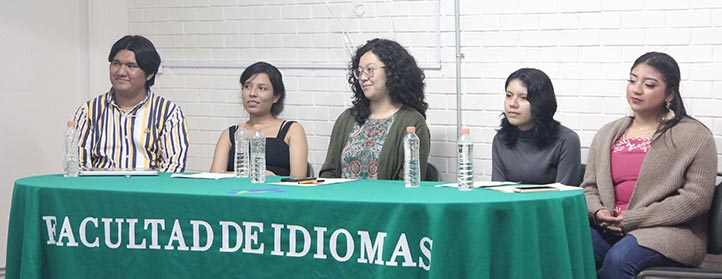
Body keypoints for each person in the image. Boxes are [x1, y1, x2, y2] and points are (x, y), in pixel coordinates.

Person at [582, 52, 717, 279]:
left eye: (649, 84)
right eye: (632, 81)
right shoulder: (607, 133)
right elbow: (589, 187)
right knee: (566, 246)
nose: (636, 89)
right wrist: (598, 212)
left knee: (619, 260)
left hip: (669, 233)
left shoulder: (695, 136)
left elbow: (696, 199)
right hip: (611, 228)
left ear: (670, 93)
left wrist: (633, 219)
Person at [73, 35, 189, 172]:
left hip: (149, 191)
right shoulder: (89, 111)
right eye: (116, 64)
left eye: (131, 66)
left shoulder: (168, 113)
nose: (121, 72)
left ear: (149, 74)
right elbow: (77, 164)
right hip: (101, 190)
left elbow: (174, 166)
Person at [319, 38, 430, 180]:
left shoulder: (412, 122)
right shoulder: (347, 118)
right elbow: (329, 172)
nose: (363, 77)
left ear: (392, 72)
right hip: (343, 200)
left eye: (370, 70)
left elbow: (409, 183)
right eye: (359, 72)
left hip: (386, 202)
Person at [209, 62, 308, 177]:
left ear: (276, 96)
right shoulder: (230, 134)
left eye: (261, 88)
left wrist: (271, 177)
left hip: (278, 193)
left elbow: (298, 178)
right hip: (234, 193)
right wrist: (259, 174)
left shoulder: (292, 130)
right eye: (247, 87)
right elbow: (214, 177)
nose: (252, 93)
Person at [492, 68, 581, 185]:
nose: (512, 104)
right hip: (511, 203)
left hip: (550, 203)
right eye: (509, 95)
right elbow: (497, 191)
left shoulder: (567, 140)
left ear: (540, 102)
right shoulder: (501, 139)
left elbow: (563, 197)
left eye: (523, 98)